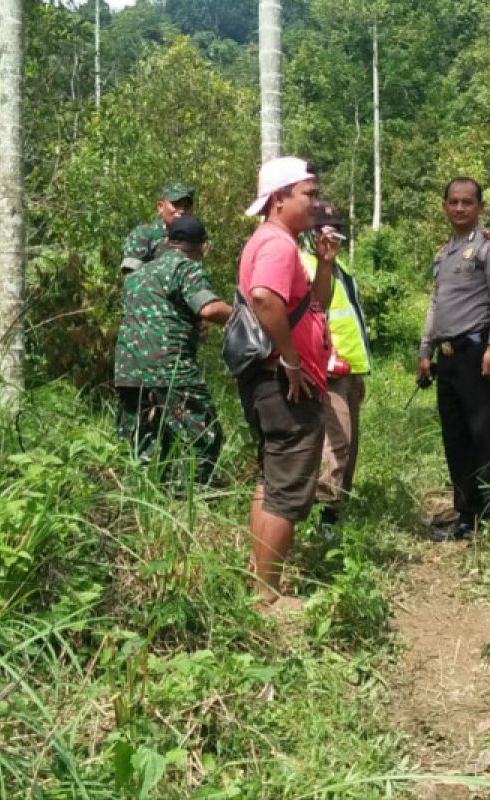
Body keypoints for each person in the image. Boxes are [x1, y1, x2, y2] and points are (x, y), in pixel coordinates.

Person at [236, 156, 339, 610]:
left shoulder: (277, 242)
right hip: (285, 384)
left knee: (272, 480)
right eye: (308, 194)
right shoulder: (277, 246)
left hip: (274, 381)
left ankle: (261, 582)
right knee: (286, 486)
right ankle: (266, 596)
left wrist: (324, 264)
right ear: (279, 199)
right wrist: (294, 362)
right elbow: (264, 299)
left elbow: (312, 305)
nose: (316, 203)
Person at [417, 177, 490, 541]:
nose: (460, 208)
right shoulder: (443, 254)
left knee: (485, 436)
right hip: (448, 359)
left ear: (480, 207)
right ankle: (467, 515)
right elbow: (436, 304)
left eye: (467, 202)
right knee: (455, 439)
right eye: (453, 202)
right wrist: (425, 351)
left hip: (478, 355)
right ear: (444, 205)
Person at [114, 214, 232, 490]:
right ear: (203, 247)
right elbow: (210, 308)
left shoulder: (139, 274)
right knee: (205, 436)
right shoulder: (185, 267)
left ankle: (140, 502)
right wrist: (248, 315)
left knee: (143, 440)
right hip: (169, 367)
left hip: (128, 369)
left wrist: (191, 325)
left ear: (167, 241)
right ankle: (186, 498)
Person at [301, 201, 373, 532]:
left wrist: (358, 371)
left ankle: (337, 509)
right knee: (335, 442)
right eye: (323, 228)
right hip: (325, 369)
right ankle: (323, 515)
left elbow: (349, 322)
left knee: (350, 443)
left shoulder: (339, 266)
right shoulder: (306, 264)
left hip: (347, 369)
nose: (331, 235)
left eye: (336, 229)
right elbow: (313, 310)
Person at [120, 182, 196, 275]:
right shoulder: (143, 234)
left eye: (186, 207)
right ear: (160, 207)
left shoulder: (193, 238)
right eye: (176, 204)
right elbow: (131, 279)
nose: (181, 211)